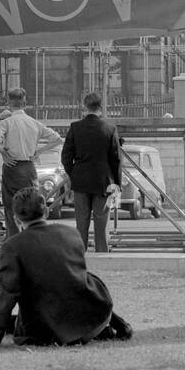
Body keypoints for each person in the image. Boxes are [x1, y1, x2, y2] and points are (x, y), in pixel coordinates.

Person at [0, 188, 133, 350]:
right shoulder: (71, 234)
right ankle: (114, 324)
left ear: (16, 219)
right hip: (92, 317)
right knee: (79, 276)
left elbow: (6, 294)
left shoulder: (13, 246)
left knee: (26, 311)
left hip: (46, 330)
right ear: (46, 211)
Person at [0, 88, 61, 239]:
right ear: (25, 103)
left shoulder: (7, 122)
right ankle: (32, 238)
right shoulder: (34, 123)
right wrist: (39, 151)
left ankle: (13, 239)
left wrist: (3, 152)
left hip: (12, 166)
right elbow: (57, 139)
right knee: (32, 204)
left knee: (10, 206)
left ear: (9, 103)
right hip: (29, 166)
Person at [61, 92, 121, 253]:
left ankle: (81, 255)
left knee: (81, 222)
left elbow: (66, 156)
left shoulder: (75, 127)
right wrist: (117, 182)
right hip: (103, 181)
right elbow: (116, 159)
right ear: (100, 107)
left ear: (84, 106)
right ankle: (102, 253)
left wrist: (73, 174)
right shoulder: (110, 129)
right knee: (101, 223)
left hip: (81, 181)